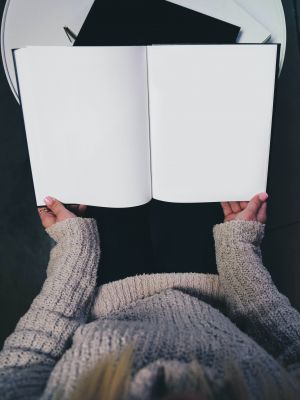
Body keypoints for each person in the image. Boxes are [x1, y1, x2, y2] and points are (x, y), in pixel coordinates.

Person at [0, 193, 299, 400]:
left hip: (105, 291)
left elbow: (32, 351)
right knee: (185, 161)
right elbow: (290, 344)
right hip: (212, 288)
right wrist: (239, 246)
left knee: (111, 164)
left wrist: (76, 247)